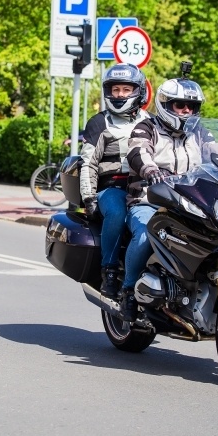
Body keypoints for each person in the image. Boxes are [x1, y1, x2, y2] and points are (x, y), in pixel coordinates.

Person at [120, 76, 218, 321]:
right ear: (166, 105)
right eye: (180, 105)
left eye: (192, 106)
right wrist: (150, 170)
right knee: (145, 234)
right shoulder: (147, 127)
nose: (186, 110)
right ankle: (128, 291)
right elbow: (138, 151)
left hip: (191, 203)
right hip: (149, 200)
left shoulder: (200, 133)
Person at [79, 63, 150, 298]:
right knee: (118, 212)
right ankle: (109, 270)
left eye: (126, 89)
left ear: (138, 91)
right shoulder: (99, 122)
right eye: (115, 89)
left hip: (144, 187)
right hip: (111, 188)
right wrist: (89, 197)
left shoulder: (151, 121)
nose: (120, 95)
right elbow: (88, 163)